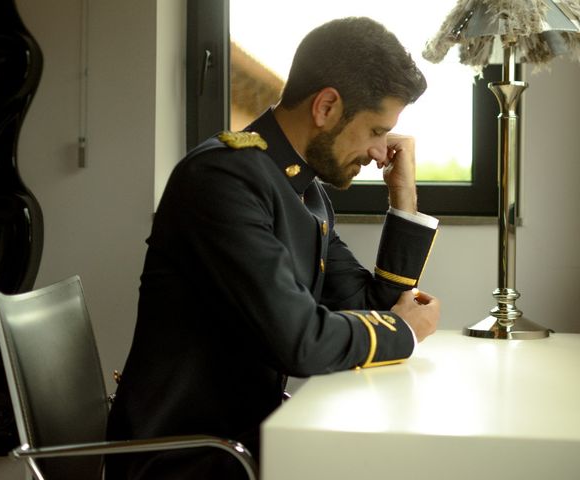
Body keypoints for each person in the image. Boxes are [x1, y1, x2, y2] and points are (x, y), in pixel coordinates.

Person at [106, 16, 440, 479]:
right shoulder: (225, 180)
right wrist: (402, 332)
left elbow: (367, 307)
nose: (382, 153)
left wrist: (404, 202)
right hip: (188, 457)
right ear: (326, 106)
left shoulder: (303, 190)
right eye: (376, 131)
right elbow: (302, 343)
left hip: (245, 440)